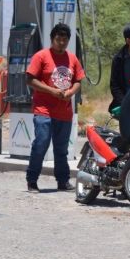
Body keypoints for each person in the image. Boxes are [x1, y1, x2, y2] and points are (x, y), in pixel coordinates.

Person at [25, 22, 85, 193]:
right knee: (41, 144)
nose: (61, 42)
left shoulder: (72, 58)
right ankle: (32, 180)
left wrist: (70, 92)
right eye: (58, 38)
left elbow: (78, 81)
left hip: (64, 112)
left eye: (65, 39)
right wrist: (51, 90)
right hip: (43, 111)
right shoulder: (41, 56)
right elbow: (30, 79)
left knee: (61, 149)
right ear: (52, 39)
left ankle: (63, 181)